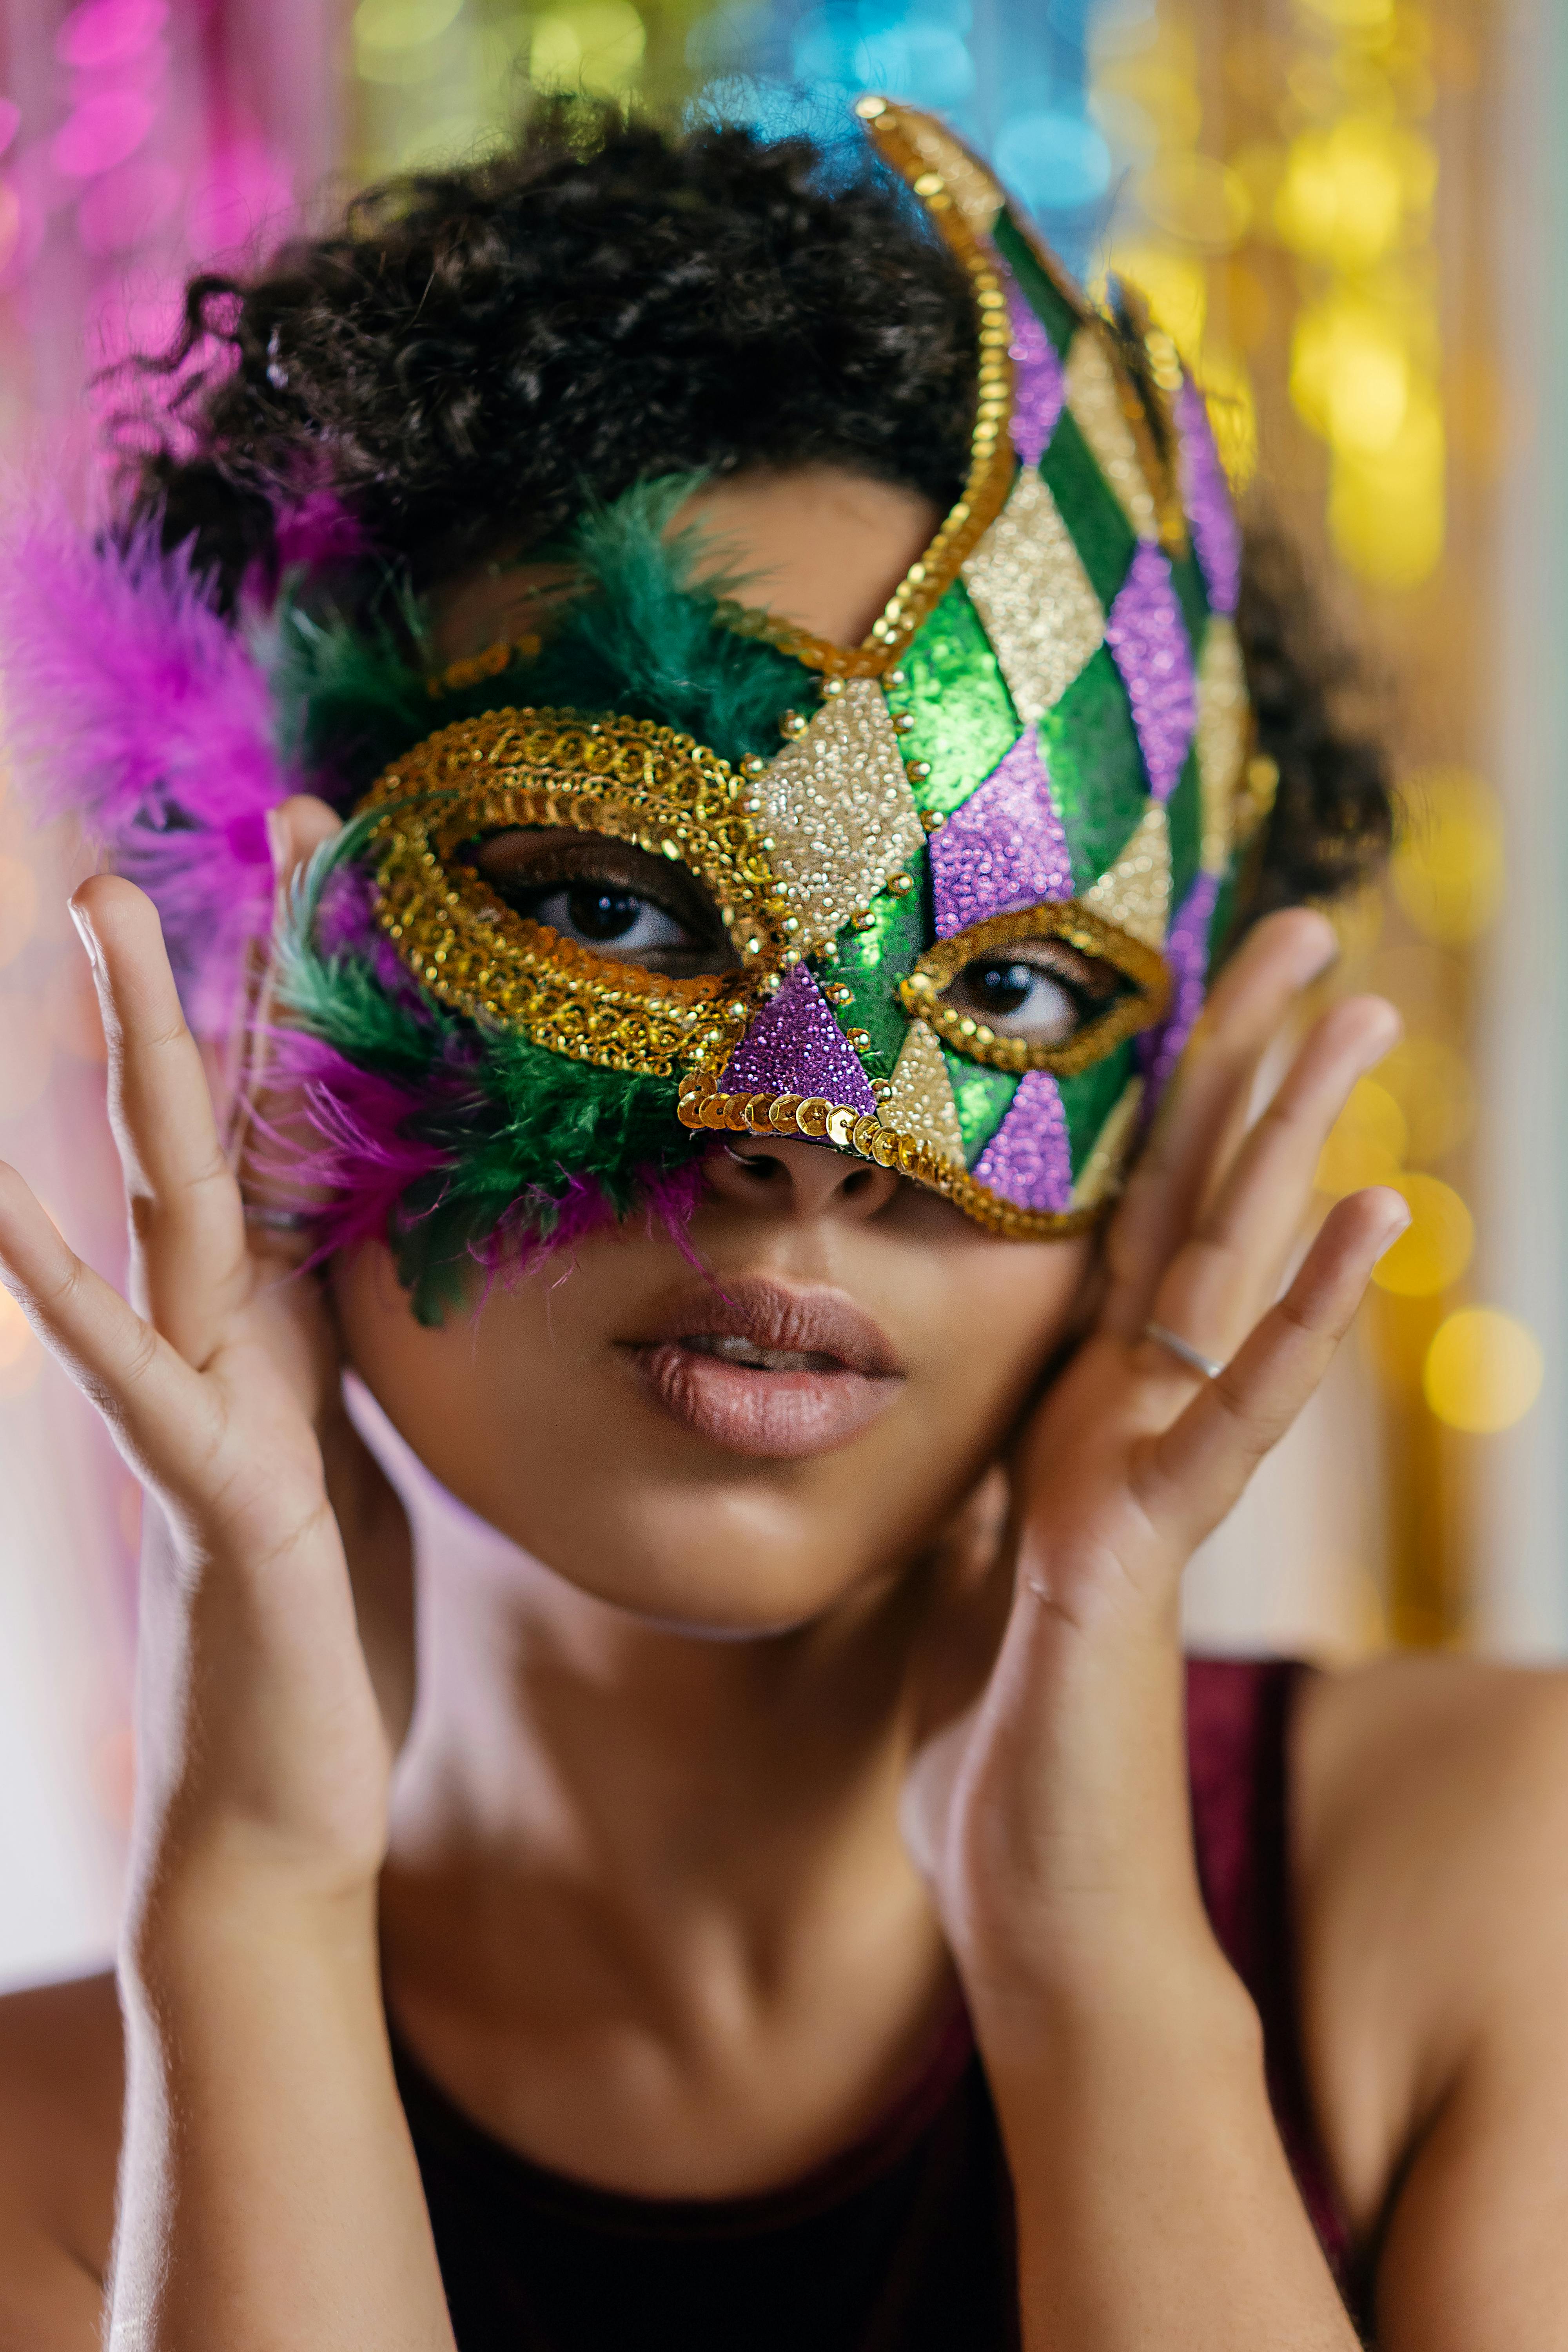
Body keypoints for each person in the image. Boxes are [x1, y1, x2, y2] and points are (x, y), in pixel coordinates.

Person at [0, 96, 1562, 2352]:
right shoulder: (67, 2163)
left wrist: (1104, 1955)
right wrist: (248, 1915)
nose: (812, 1139)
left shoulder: (1501, 1893)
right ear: (252, 973)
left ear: (1185, 1095)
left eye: (1012, 986)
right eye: (616, 907)